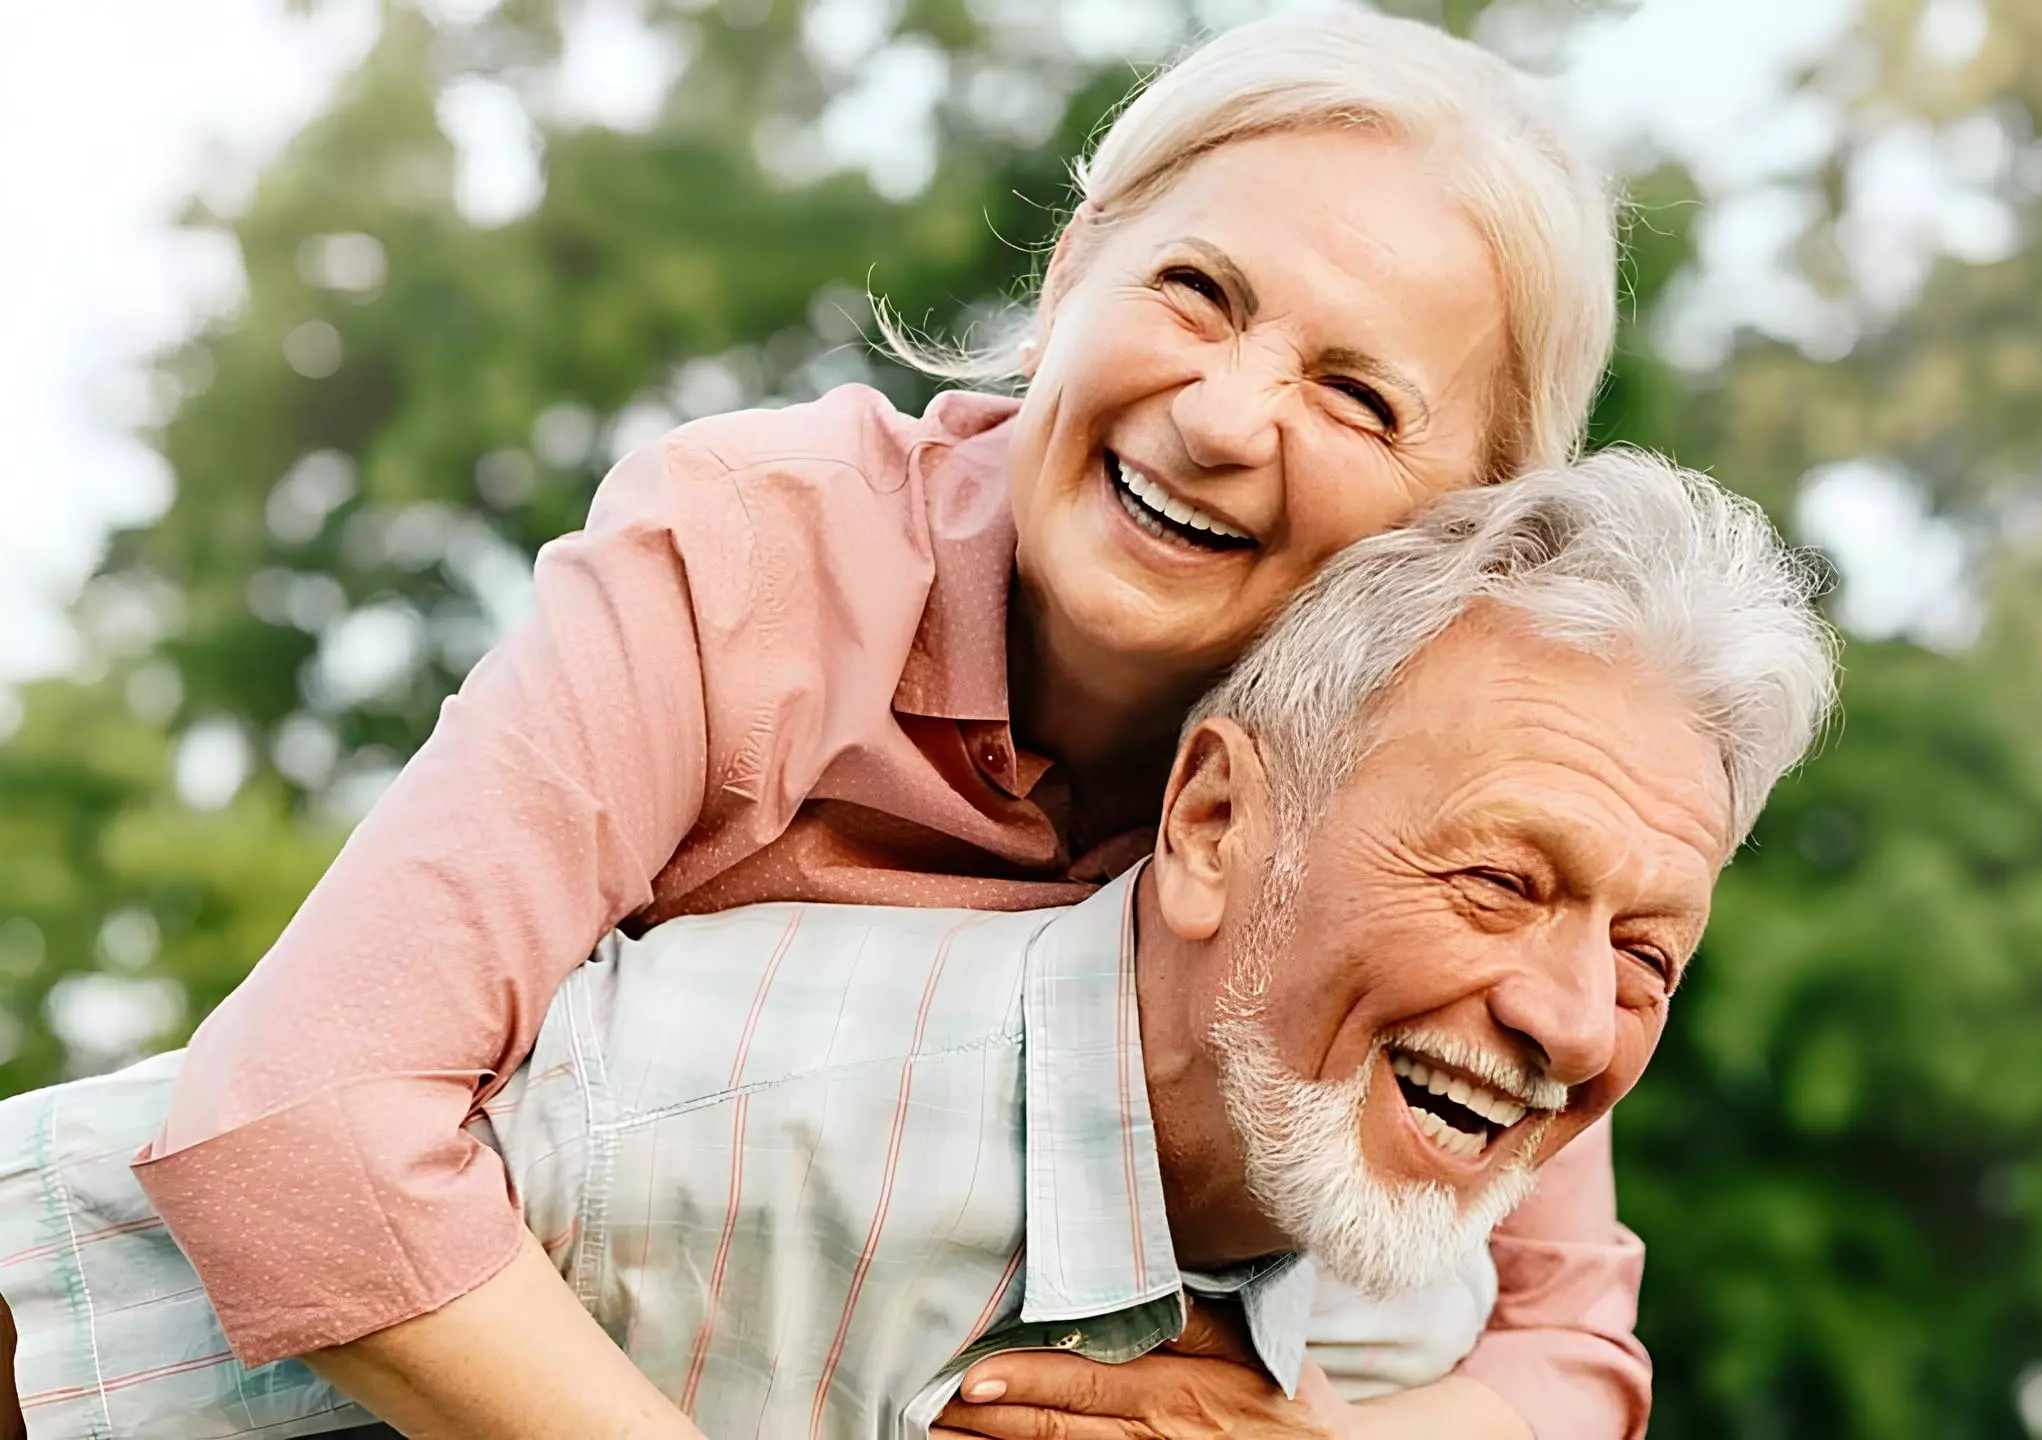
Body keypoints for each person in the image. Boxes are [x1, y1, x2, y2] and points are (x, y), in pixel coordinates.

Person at [123, 9, 1653, 1439]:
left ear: (1470, 521)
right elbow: (303, 1118)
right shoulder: (748, 557)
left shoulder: (1426, 797)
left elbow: (1568, 1339)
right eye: (1196, 293)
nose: (1221, 417)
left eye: (1355, 395)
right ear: (1069, 277)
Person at [1, 455, 1836, 1440]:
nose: (1565, 1013)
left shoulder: (1425, 1277)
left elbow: (1585, 1352)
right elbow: (82, 1250)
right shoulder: (685, 1105)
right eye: (1499, 884)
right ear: (1208, 823)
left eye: (1650, 956)